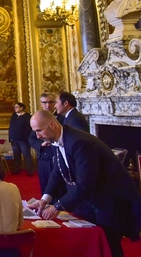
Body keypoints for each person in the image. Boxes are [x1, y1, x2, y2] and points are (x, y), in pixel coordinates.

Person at [28, 110, 141, 257]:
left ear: (51, 125)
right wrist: (44, 200)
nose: (37, 136)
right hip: (91, 199)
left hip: (110, 200)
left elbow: (85, 184)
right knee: (89, 243)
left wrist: (57, 206)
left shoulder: (79, 142)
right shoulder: (60, 139)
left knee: (109, 246)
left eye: (39, 130)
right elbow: (58, 172)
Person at [29, 93, 65, 197]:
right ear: (41, 104)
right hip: (43, 159)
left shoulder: (62, 118)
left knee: (59, 188)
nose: (47, 105)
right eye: (44, 102)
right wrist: (42, 144)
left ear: (55, 103)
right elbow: (31, 138)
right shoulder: (37, 118)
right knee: (45, 187)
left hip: (56, 158)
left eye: (50, 102)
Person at [8, 102, 33, 175]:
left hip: (23, 139)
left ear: (21, 108)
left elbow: (28, 129)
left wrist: (26, 138)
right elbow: (11, 127)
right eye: (15, 107)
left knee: (26, 155)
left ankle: (30, 171)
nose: (15, 109)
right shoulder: (13, 116)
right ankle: (16, 170)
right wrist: (10, 137)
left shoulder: (27, 116)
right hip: (14, 138)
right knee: (16, 155)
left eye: (17, 107)